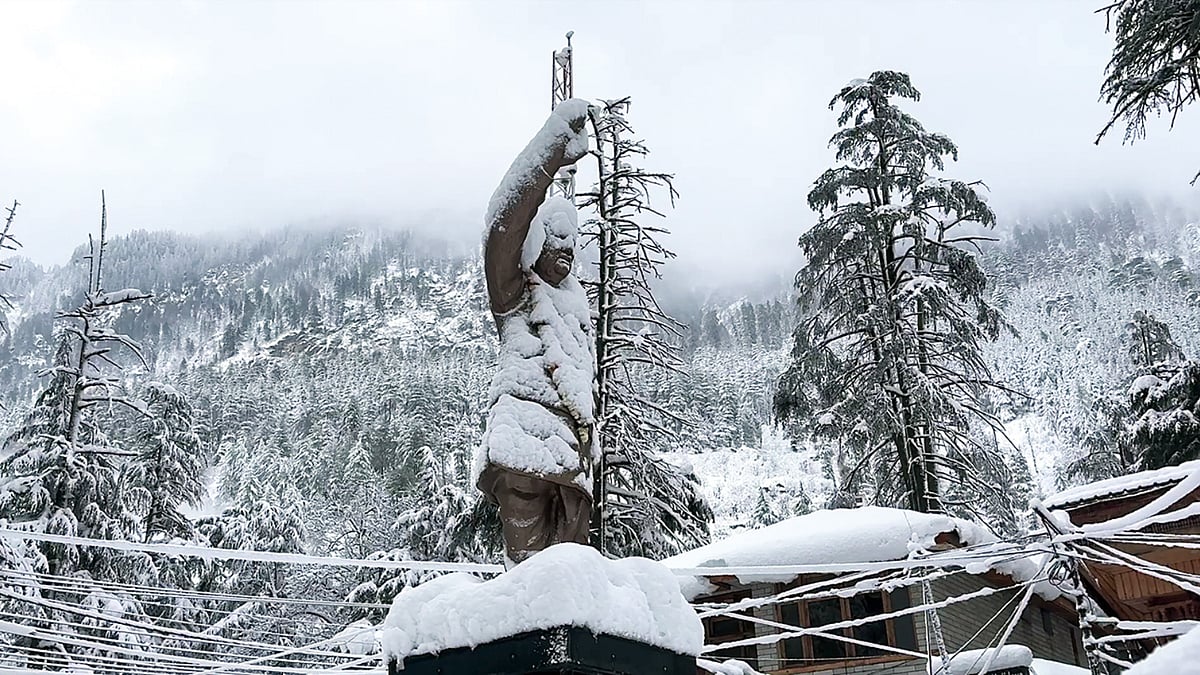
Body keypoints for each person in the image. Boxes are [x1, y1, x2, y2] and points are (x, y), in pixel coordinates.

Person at [475, 100, 595, 564]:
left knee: (570, 577)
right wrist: (553, 145)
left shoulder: (576, 308)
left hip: (571, 460)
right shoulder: (515, 292)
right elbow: (503, 226)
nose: (566, 248)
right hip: (523, 448)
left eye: (572, 241)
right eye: (556, 238)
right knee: (529, 578)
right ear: (538, 241)